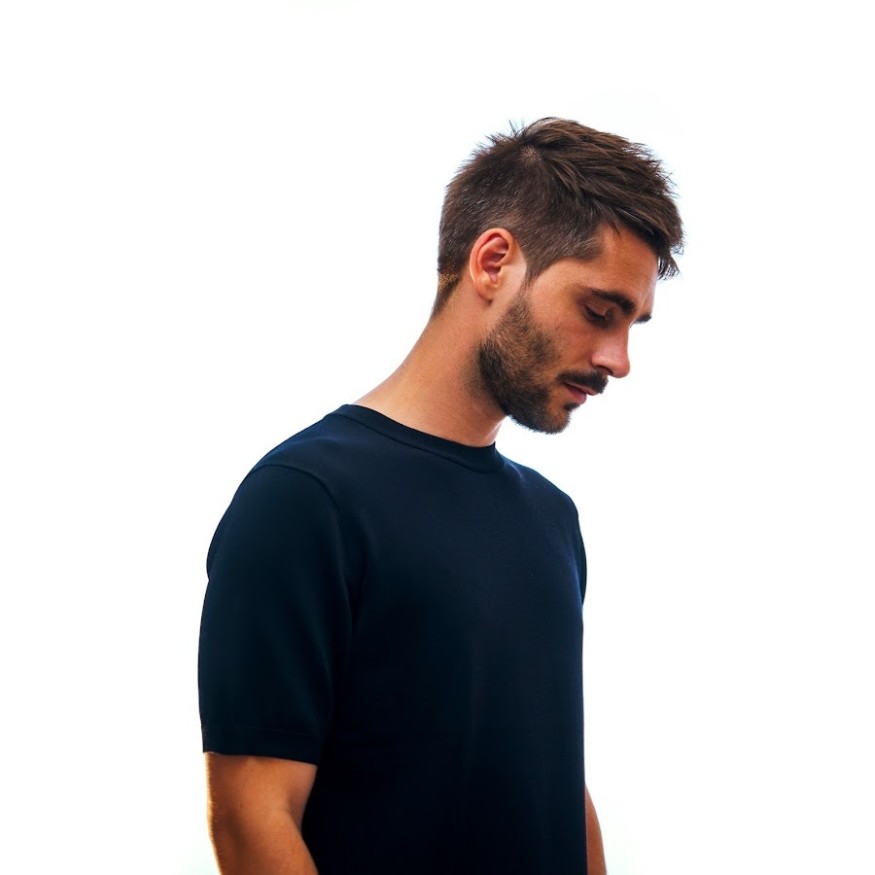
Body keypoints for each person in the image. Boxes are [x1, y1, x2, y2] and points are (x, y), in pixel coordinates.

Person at [198, 117, 683, 875]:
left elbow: (553, 782)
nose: (618, 360)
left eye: (632, 323)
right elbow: (251, 816)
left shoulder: (550, 518)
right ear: (494, 262)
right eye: (598, 311)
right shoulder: (306, 499)